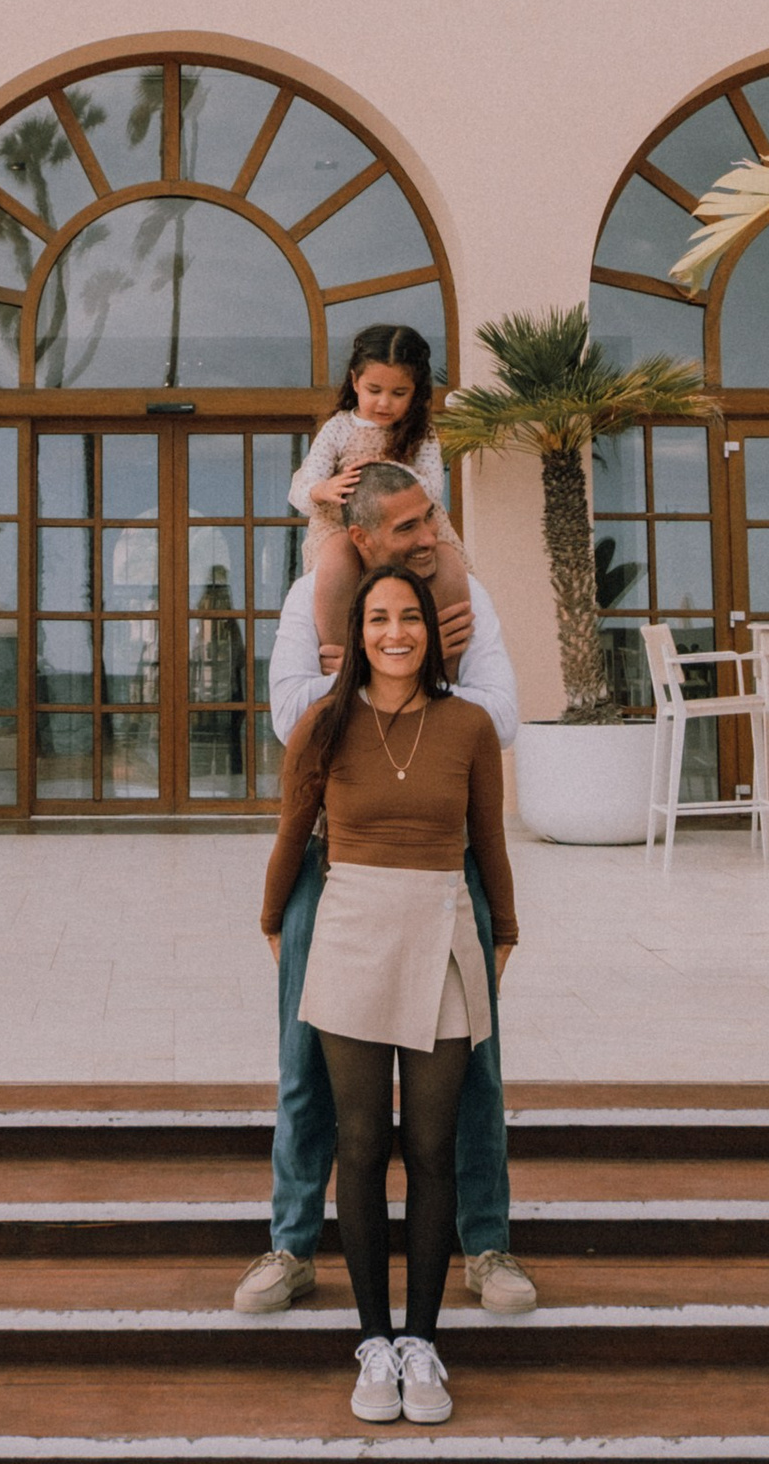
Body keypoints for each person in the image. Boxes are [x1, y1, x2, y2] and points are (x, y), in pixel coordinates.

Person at [233, 460, 537, 1326]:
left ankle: (486, 1244)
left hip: (446, 862)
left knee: (474, 1067)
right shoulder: (308, 600)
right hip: (334, 865)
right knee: (305, 1063)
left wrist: (409, 673)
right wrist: (370, 677)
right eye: (408, 527)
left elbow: (499, 716)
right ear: (361, 539)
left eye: (430, 517)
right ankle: (293, 1247)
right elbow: (291, 714)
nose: (430, 536)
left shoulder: (467, 601)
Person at [262, 566, 519, 1428]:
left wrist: (504, 933)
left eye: (410, 616)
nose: (396, 632)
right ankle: (374, 1340)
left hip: (442, 931)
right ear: (356, 633)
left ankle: (422, 1342)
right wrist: (272, 922)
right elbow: (291, 832)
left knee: (434, 1146)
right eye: (378, 618)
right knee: (363, 1143)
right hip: (352, 934)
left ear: (432, 632)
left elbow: (488, 840)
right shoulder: (323, 723)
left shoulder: (469, 724)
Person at [295, 324, 470, 672]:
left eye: (399, 393)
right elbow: (302, 487)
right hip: (343, 525)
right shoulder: (339, 428)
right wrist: (325, 488)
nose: (384, 403)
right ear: (355, 381)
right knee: (337, 561)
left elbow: (432, 487)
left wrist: (387, 477)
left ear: (416, 392)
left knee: (448, 566)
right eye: (374, 390)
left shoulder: (422, 433)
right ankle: (342, 664)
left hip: (408, 523)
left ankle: (440, 672)